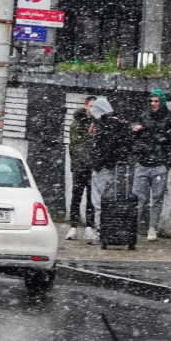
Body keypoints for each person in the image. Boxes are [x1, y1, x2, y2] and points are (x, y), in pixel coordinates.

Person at [130, 88, 171, 241]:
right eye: (151, 101)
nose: (153, 104)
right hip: (143, 163)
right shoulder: (144, 116)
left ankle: (152, 228)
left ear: (162, 102)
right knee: (138, 198)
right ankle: (133, 228)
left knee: (157, 198)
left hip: (159, 165)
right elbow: (134, 135)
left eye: (156, 101)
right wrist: (134, 131)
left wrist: (167, 163)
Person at [86, 96, 132, 245]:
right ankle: (108, 231)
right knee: (111, 200)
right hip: (116, 169)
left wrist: (96, 163)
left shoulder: (107, 127)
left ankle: (100, 231)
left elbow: (103, 149)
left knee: (98, 201)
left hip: (103, 169)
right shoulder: (119, 124)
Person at [66, 96, 96, 241]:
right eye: (91, 106)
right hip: (79, 166)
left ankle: (89, 227)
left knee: (92, 198)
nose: (93, 109)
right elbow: (78, 146)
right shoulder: (77, 124)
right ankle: (73, 226)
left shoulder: (98, 123)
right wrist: (91, 136)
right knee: (76, 197)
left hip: (93, 168)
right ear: (86, 106)